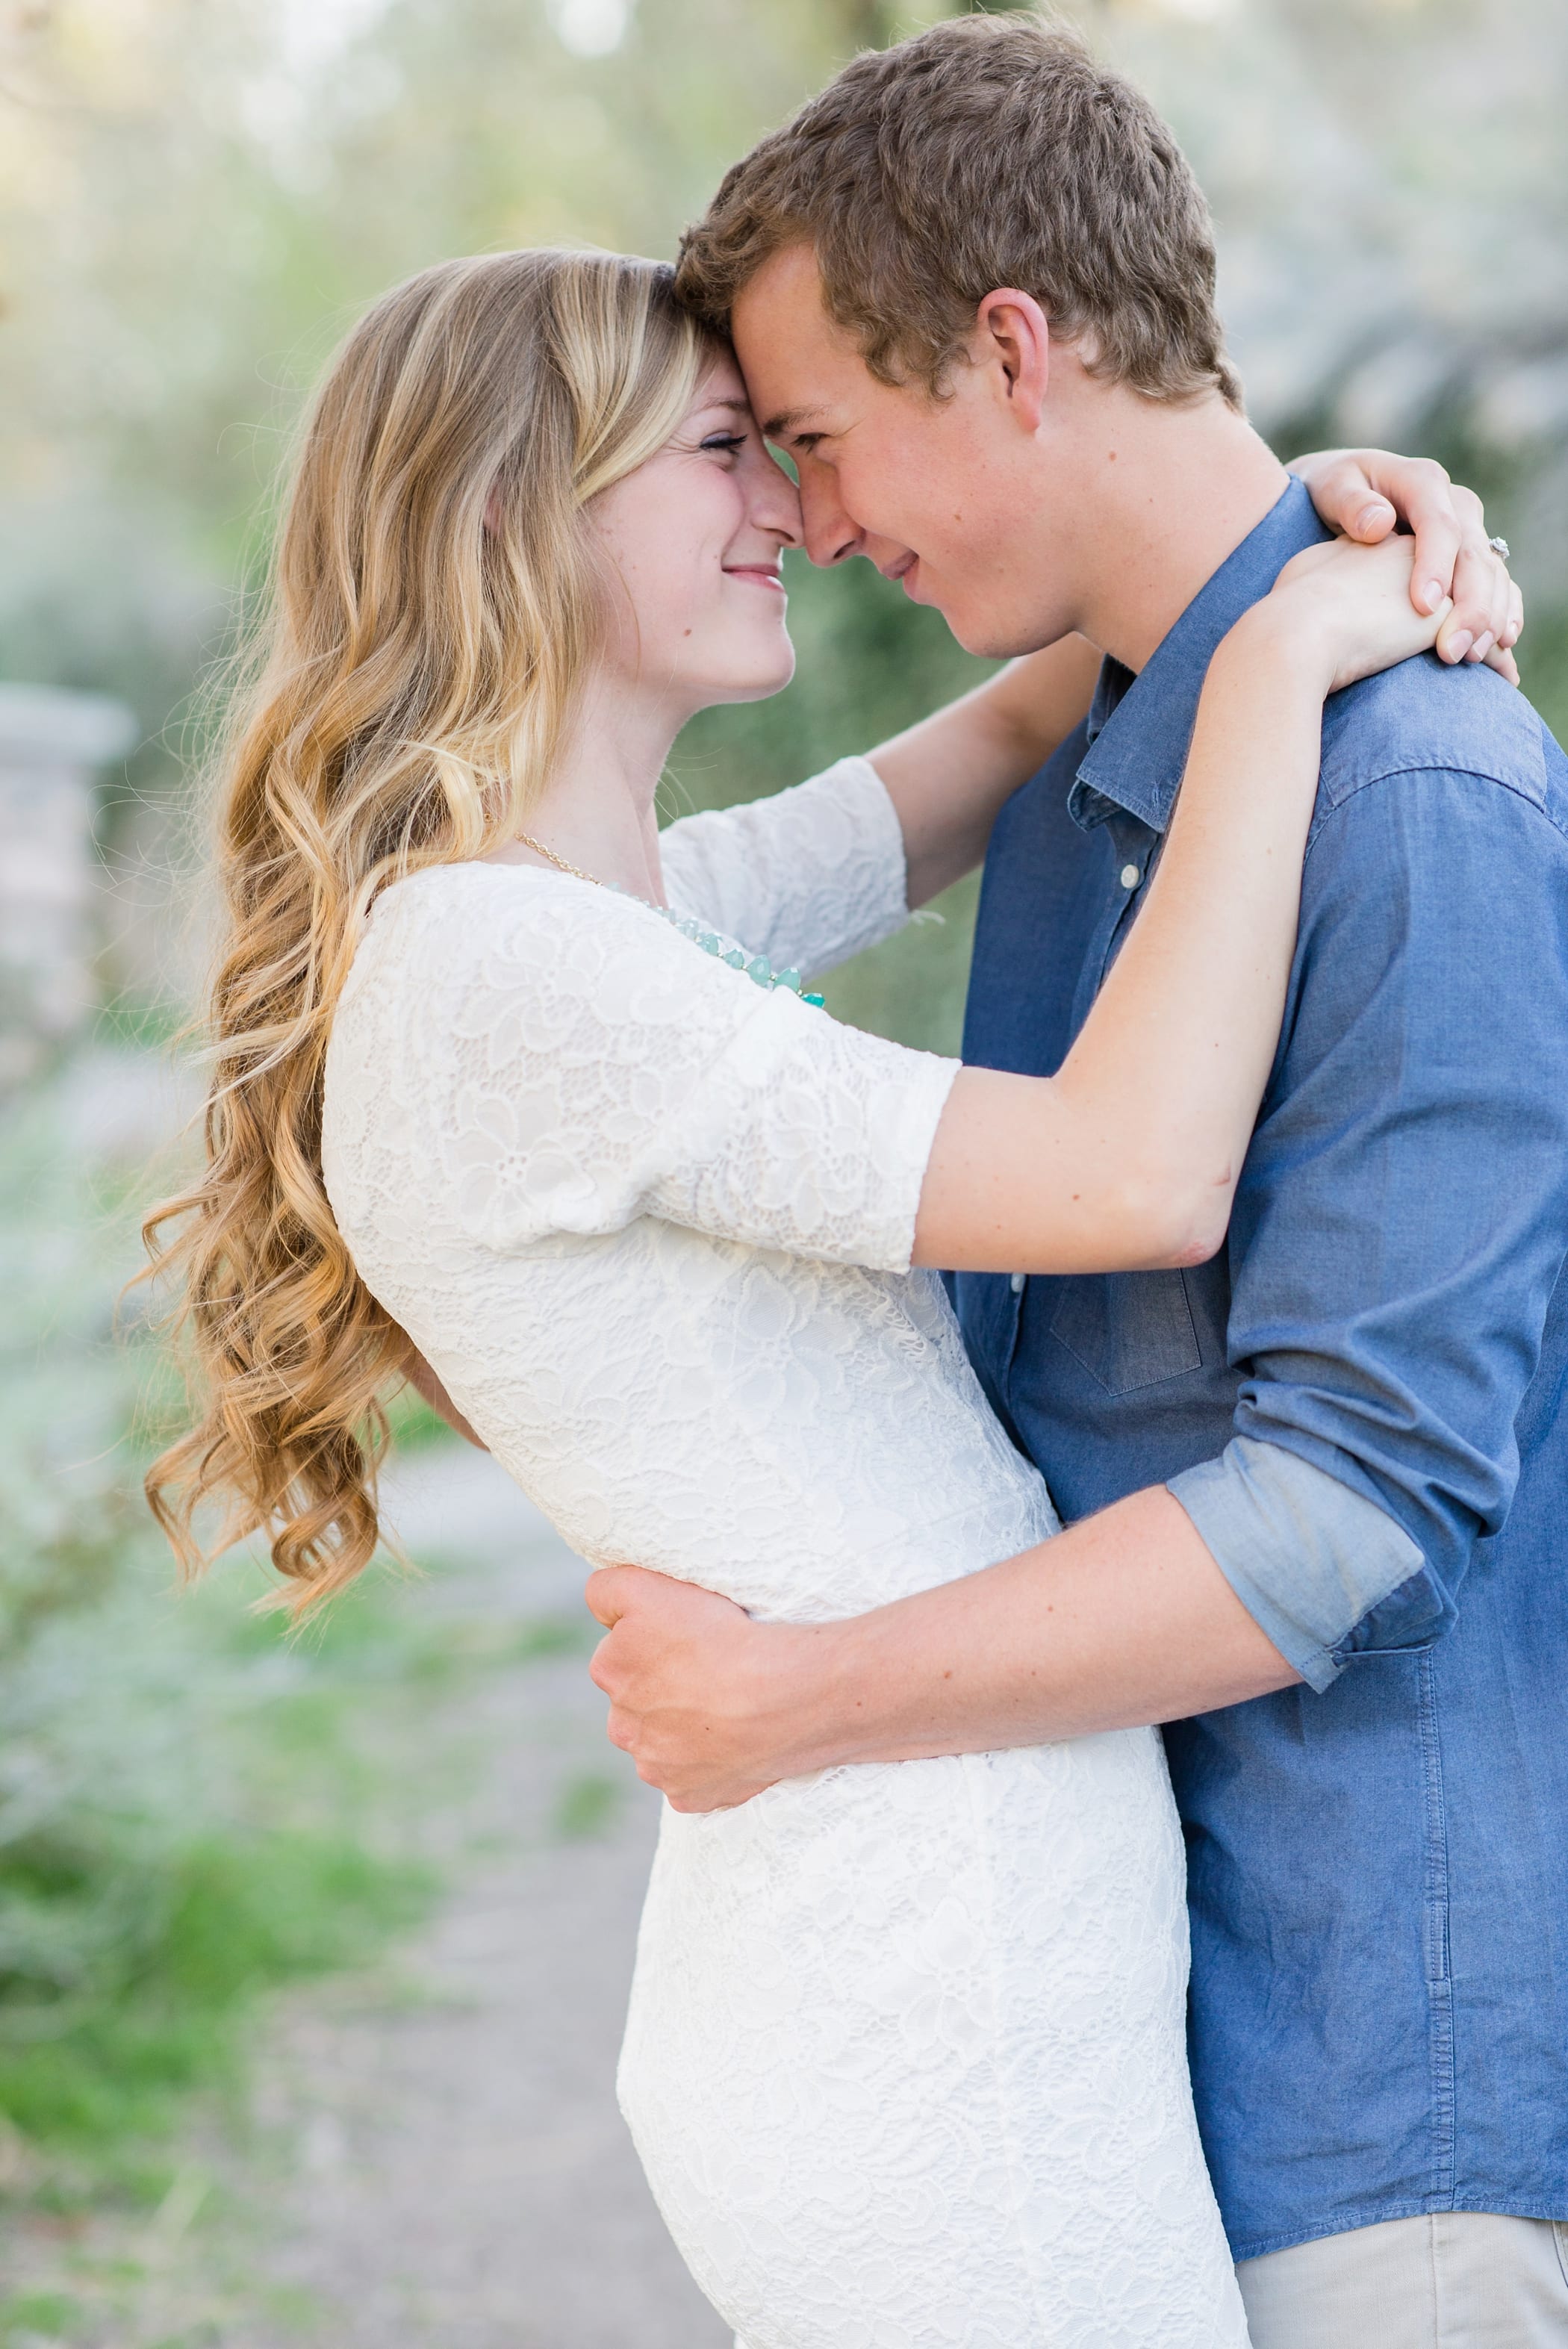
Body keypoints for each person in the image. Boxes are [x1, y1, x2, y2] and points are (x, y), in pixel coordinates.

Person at [142, 242, 1505, 2344]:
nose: (787, 506)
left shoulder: (607, 922)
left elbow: (1044, 689)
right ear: (513, 507)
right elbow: (1132, 1177)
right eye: (719, 452)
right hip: (913, 2003)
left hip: (937, 1965)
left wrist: (1311, 516)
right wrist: (1272, 664)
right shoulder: (517, 978)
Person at [587, 16, 1568, 2346]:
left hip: (1361, 2098)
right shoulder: (1104, 744)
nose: (813, 520)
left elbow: (1350, 1504)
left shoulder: (1415, 789)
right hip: (1119, 2048)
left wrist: (805, 1696)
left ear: (1011, 350)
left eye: (820, 437)